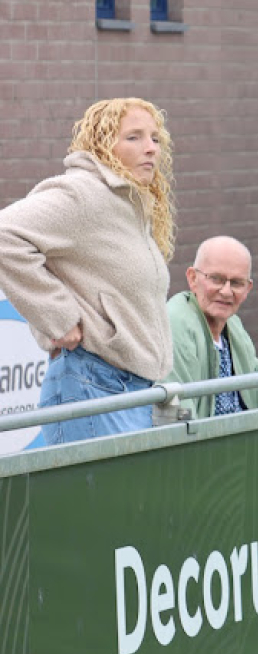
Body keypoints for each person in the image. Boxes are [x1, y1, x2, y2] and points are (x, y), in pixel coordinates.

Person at [0, 98, 175, 445]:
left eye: (155, 138)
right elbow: (5, 235)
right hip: (92, 386)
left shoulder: (133, 204)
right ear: (103, 144)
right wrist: (59, 317)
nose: (151, 149)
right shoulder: (84, 193)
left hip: (134, 392)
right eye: (134, 138)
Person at [167, 235, 258, 419]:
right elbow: (177, 414)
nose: (226, 291)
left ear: (248, 289)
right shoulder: (177, 323)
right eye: (216, 279)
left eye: (237, 283)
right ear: (192, 278)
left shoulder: (233, 325)